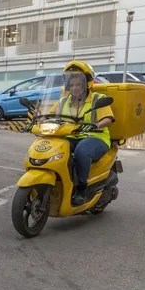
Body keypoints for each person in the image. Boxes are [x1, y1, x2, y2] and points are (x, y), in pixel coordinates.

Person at [48, 60, 115, 206]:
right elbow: (49, 116)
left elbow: (108, 119)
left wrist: (95, 125)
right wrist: (37, 122)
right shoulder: (63, 101)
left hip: (95, 137)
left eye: (78, 84)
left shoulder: (98, 99)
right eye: (71, 85)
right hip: (70, 135)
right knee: (52, 149)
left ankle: (81, 189)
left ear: (87, 84)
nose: (75, 88)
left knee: (82, 151)